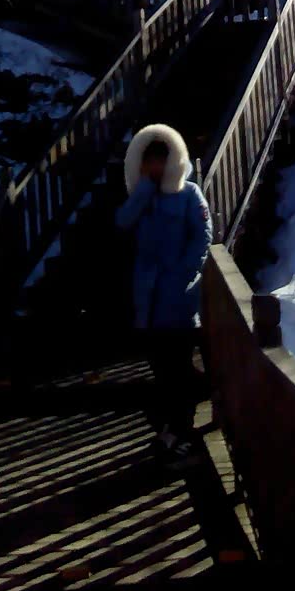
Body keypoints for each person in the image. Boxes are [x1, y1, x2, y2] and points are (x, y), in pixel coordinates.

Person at [116, 123, 213, 467]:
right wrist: (143, 190)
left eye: (159, 160)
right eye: (148, 161)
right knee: (160, 368)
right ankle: (173, 431)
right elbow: (122, 222)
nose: (154, 167)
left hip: (178, 298)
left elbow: (203, 237)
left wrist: (183, 274)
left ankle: (183, 433)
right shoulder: (141, 196)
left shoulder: (189, 194)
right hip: (147, 299)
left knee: (178, 368)